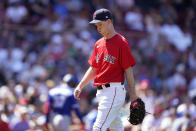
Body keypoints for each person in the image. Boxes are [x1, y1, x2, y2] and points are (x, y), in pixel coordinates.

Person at [74, 8, 138, 131]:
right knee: (116, 127)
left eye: (100, 24)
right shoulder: (98, 44)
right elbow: (93, 69)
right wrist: (80, 85)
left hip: (113, 90)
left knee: (98, 127)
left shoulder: (121, 42)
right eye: (96, 25)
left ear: (109, 21)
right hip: (102, 92)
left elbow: (128, 70)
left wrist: (133, 95)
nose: (98, 28)